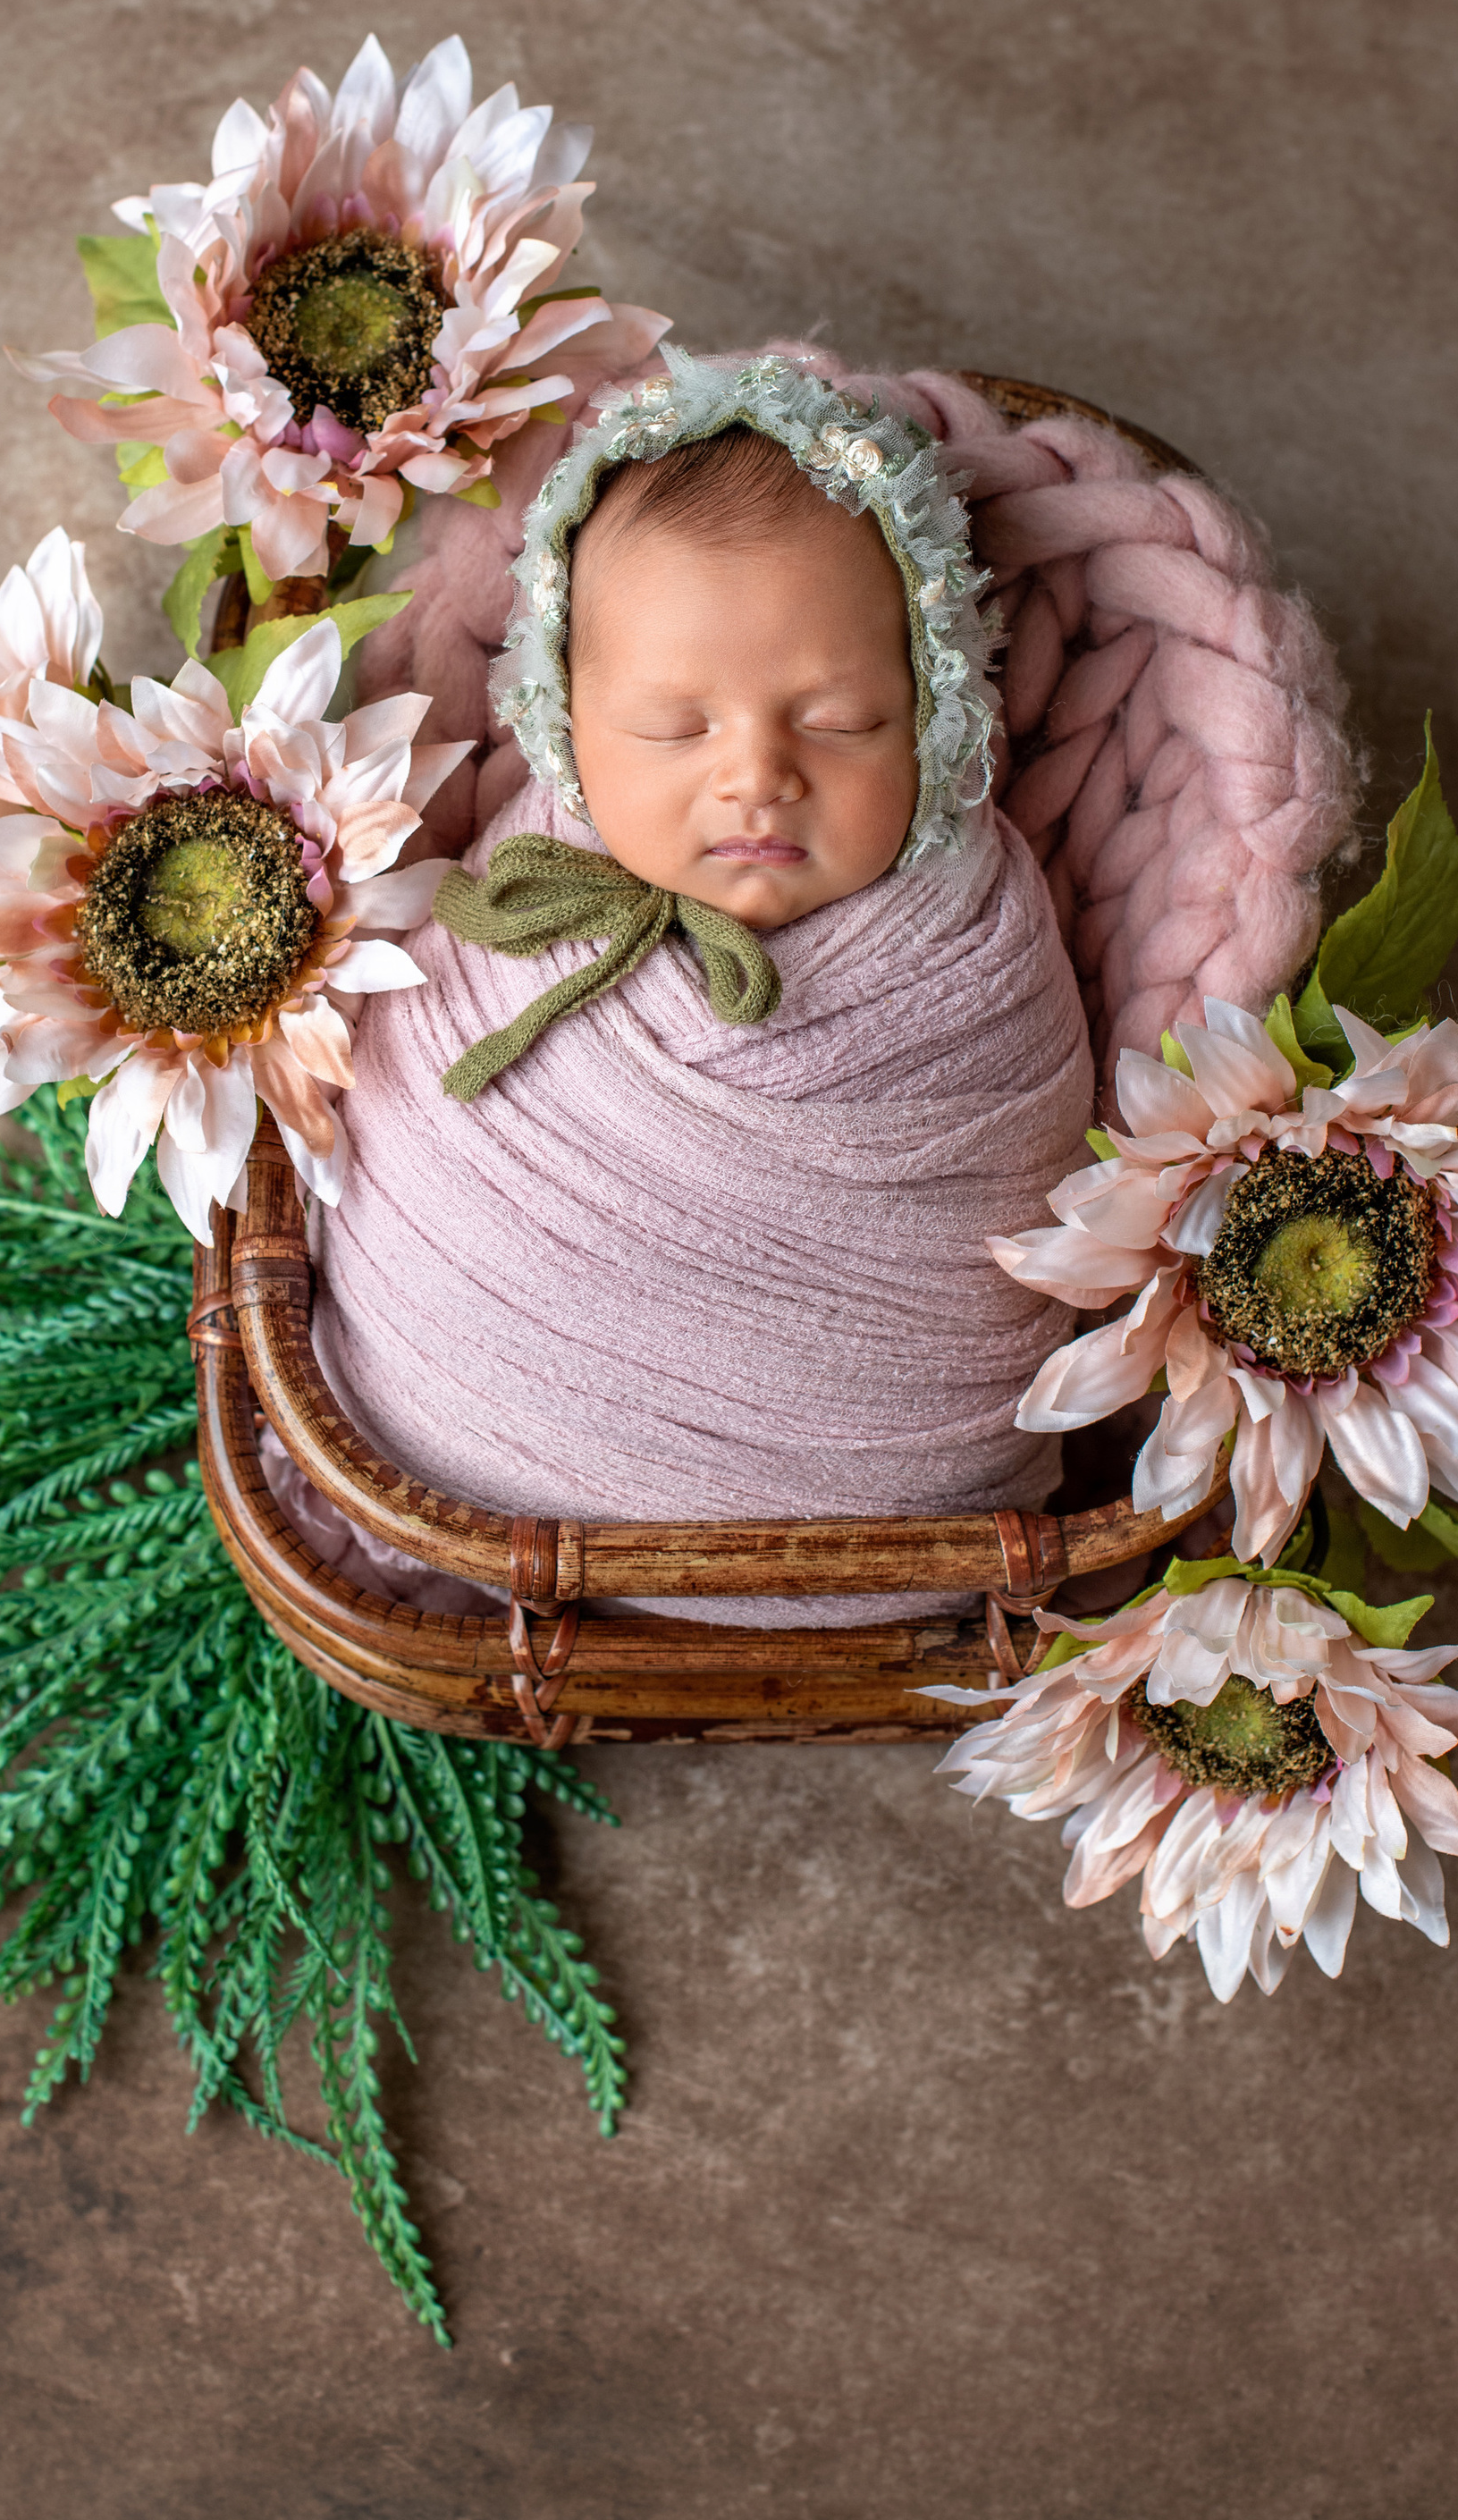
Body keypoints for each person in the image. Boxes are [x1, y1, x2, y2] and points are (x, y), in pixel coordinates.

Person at [286, 348, 1099, 1625]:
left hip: (891, 1521)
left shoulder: (975, 953)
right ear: (565, 724)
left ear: (939, 711)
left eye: (837, 722)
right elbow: (403, 1112)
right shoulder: (525, 884)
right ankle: (465, 1430)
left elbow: (1033, 1197)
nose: (757, 777)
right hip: (438, 1475)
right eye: (675, 730)